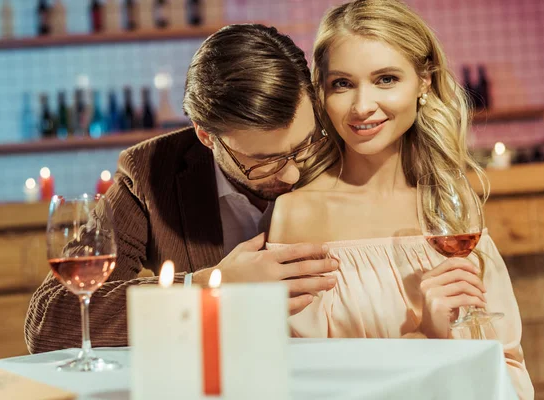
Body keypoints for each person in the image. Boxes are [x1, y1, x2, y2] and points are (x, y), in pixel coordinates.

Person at [267, 1, 534, 398]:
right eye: (342, 83)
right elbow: (294, 380)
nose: (362, 106)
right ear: (321, 92)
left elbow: (506, 366)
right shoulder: (299, 213)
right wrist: (426, 336)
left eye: (386, 79)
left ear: (424, 81)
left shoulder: (450, 205)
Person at [25, 24, 340, 354]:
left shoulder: (344, 150)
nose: (292, 174)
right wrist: (209, 288)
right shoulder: (151, 173)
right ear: (206, 136)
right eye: (263, 161)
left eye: (303, 146)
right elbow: (52, 320)